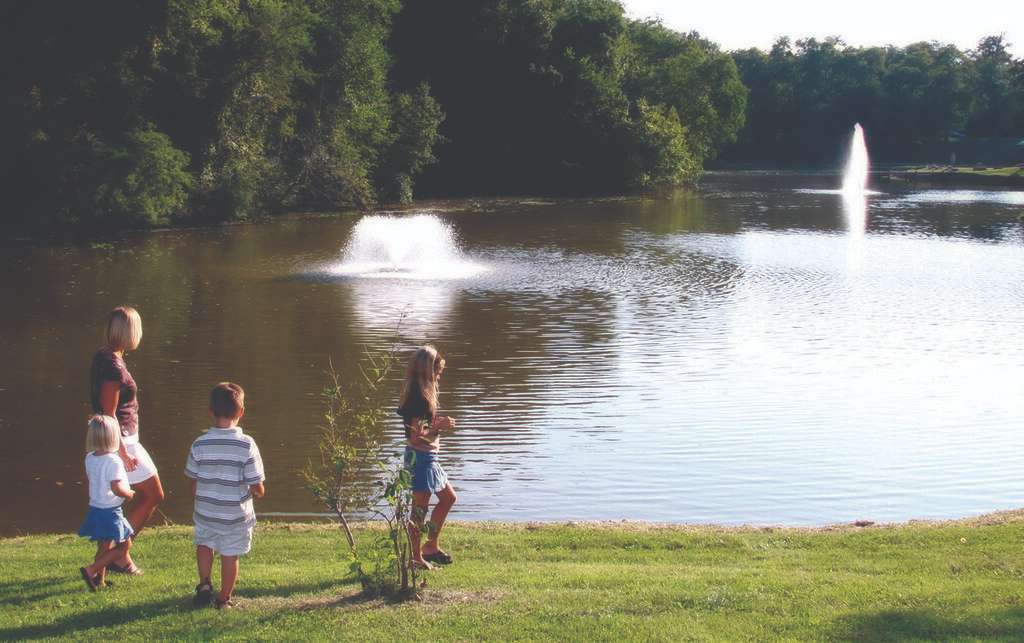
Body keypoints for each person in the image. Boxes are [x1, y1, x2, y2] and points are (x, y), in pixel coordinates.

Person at [89, 306, 164, 575]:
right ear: (130, 331)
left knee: (114, 501)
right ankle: (117, 554)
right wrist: (122, 452)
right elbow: (110, 414)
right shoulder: (112, 367)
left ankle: (111, 559)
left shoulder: (106, 357)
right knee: (154, 494)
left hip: (121, 438)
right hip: (122, 440)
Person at [185, 382, 265, 609]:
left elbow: (193, 481)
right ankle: (224, 598)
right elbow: (256, 484)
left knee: (204, 544)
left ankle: (204, 585)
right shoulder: (246, 445)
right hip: (234, 515)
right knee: (230, 554)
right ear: (241, 412)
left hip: (206, 511)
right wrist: (259, 492)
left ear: (211, 411)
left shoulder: (199, 443)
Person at [397, 345, 458, 570]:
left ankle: (430, 546)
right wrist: (438, 427)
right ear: (428, 371)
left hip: (428, 458)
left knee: (448, 498)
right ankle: (415, 558)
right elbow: (415, 438)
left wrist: (434, 424)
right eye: (438, 372)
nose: (439, 377)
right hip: (420, 459)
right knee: (419, 511)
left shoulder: (420, 394)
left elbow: (418, 428)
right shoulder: (418, 398)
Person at [77, 415, 136, 591]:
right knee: (124, 545)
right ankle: (91, 570)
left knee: (103, 546)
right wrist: (129, 494)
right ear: (113, 437)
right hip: (110, 510)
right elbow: (117, 488)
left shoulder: (90, 458)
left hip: (96, 508)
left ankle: (99, 580)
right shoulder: (114, 460)